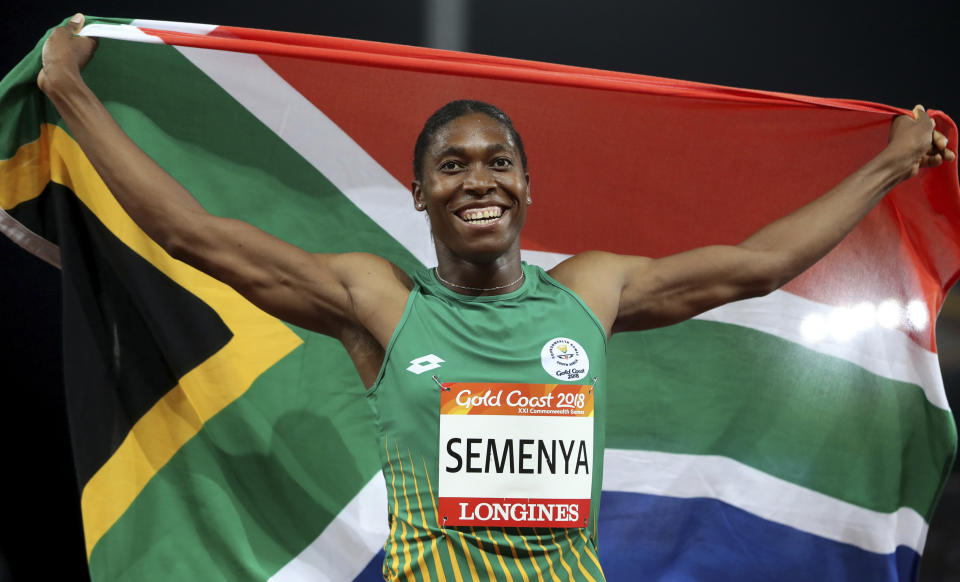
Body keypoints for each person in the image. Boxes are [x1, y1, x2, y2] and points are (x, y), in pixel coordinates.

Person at [38, 13, 955, 582]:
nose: (479, 179)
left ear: (526, 188)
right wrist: (70, 92)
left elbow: (756, 264)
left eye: (499, 162)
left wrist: (886, 164)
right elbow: (197, 235)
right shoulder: (379, 299)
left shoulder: (593, 289)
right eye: (452, 165)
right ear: (420, 193)